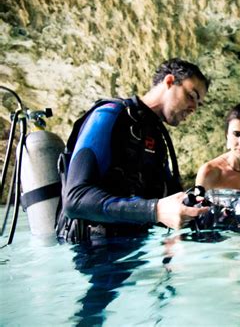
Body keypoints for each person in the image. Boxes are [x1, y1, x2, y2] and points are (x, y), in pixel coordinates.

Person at [57, 58, 210, 242]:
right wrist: (155, 210)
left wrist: (205, 210)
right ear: (169, 82)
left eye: (198, 104)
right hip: (90, 250)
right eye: (191, 96)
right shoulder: (109, 115)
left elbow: (171, 198)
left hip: (131, 248)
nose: (194, 108)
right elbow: (75, 201)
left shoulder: (156, 139)